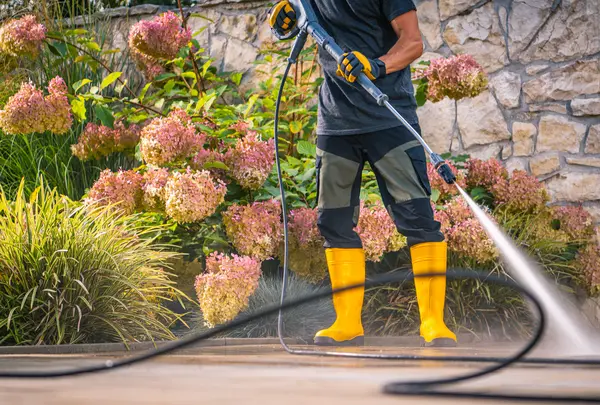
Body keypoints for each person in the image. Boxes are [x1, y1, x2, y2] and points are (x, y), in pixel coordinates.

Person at [269, 0, 456, 347]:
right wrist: (281, 20)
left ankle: (433, 324)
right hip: (336, 123)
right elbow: (294, 21)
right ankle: (347, 323)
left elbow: (413, 42)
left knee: (417, 218)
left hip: (389, 117)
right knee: (333, 222)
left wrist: (377, 65)